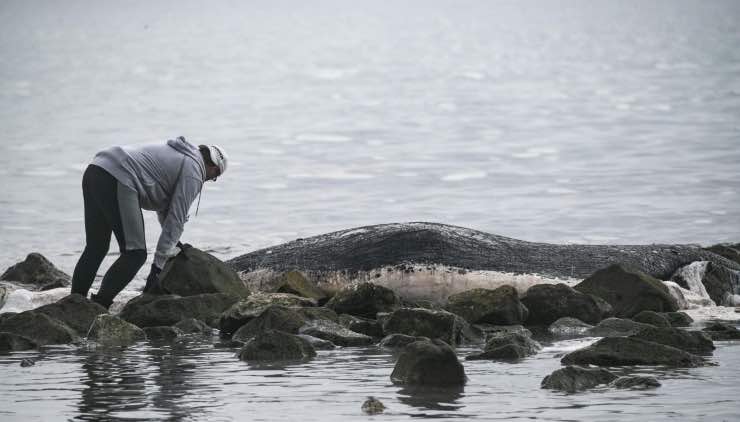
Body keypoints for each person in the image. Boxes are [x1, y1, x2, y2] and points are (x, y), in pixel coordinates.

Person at [70, 136, 228, 308]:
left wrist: (173, 244)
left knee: (96, 247)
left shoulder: (183, 155)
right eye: (215, 176)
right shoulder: (195, 171)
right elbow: (176, 219)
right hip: (119, 176)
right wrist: (157, 268)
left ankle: (73, 305)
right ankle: (98, 307)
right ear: (213, 167)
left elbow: (166, 211)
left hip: (96, 169)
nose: (210, 180)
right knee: (135, 254)